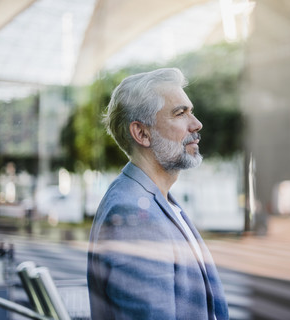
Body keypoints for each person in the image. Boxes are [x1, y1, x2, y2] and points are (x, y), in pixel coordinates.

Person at [87, 68, 229, 320]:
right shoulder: (134, 213)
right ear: (142, 133)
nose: (196, 124)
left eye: (191, 111)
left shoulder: (155, 199)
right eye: (180, 113)